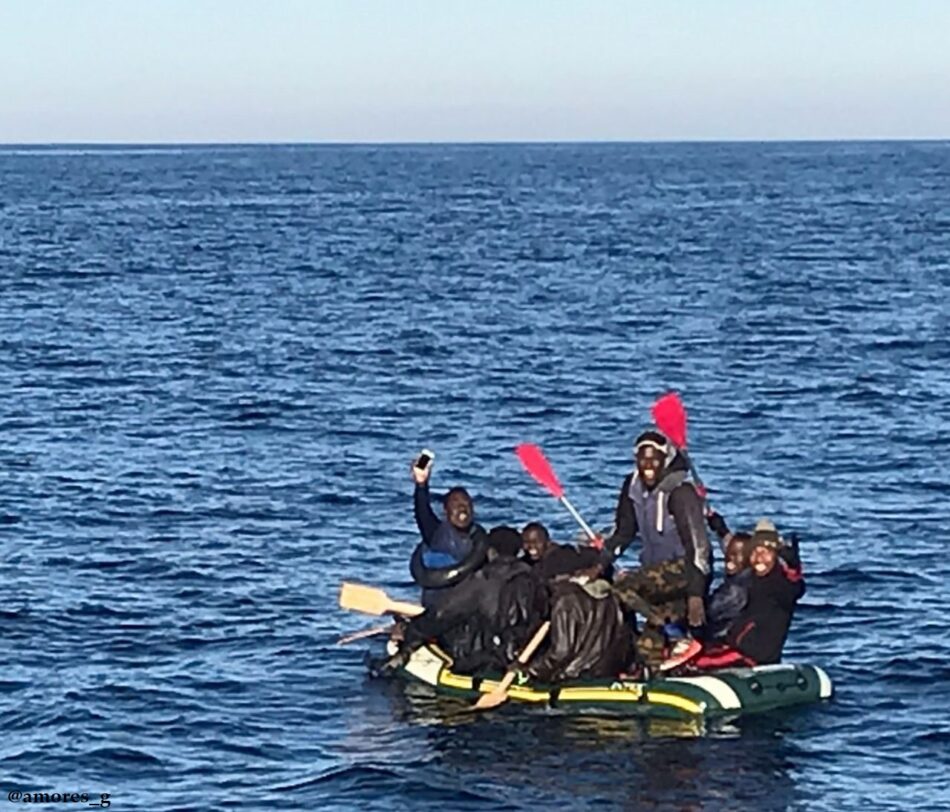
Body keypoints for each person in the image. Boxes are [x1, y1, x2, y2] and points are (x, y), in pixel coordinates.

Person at [601, 429, 712, 668]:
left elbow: (699, 547)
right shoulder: (631, 486)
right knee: (647, 649)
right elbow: (624, 532)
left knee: (622, 586)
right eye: (642, 459)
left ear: (666, 460)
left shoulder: (681, 492)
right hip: (655, 573)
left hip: (685, 571)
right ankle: (662, 669)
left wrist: (695, 595)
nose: (648, 465)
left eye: (654, 459)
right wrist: (603, 557)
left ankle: (677, 635)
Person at [384, 526, 549, 675]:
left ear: (490, 551)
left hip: (488, 659)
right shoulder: (535, 578)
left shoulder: (483, 580)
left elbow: (442, 614)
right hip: (525, 652)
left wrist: (410, 630)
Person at [684, 519, 805, 670]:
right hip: (735, 646)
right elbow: (734, 550)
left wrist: (793, 568)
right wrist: (720, 529)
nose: (759, 557)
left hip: (751, 654)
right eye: (755, 551)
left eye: (766, 552)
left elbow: (794, 589)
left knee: (691, 663)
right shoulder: (751, 577)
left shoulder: (778, 583)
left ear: (776, 555)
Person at [410, 458, 487, 606]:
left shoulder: (480, 541)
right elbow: (422, 511)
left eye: (466, 504)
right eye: (456, 504)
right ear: (446, 511)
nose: (462, 508)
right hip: (438, 610)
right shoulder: (436, 534)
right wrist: (421, 484)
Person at [527, 576, 634, 684]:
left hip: (571, 679)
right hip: (606, 675)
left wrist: (532, 671)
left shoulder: (565, 602)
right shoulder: (613, 600)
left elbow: (562, 651)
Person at [522, 521, 603, 582]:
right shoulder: (524, 562)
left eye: (536, 542)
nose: (531, 547)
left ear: (548, 542)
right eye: (526, 542)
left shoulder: (564, 557)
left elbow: (595, 556)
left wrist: (593, 570)